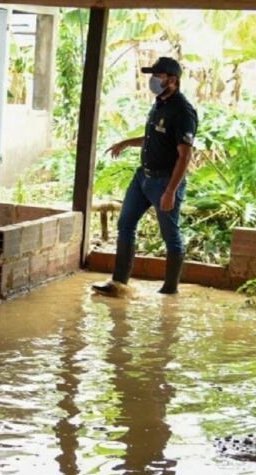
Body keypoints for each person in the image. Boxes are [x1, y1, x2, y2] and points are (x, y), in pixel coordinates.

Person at [92, 57, 198, 296]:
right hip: (143, 177)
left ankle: (169, 290)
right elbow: (154, 139)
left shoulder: (183, 112)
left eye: (157, 76)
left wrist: (171, 191)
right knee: (126, 224)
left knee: (170, 235)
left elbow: (184, 156)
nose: (152, 81)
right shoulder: (159, 104)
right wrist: (128, 142)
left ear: (173, 80)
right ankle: (119, 283)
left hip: (165, 181)